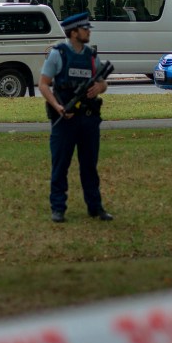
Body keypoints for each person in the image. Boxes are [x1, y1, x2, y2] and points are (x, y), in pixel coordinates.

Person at [39, 12, 113, 223]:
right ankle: (58, 208)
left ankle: (95, 207)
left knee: (90, 165)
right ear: (73, 32)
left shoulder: (91, 55)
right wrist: (57, 106)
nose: (88, 31)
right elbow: (43, 84)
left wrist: (100, 86)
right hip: (65, 120)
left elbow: (103, 82)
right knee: (60, 165)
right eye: (85, 28)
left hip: (88, 120)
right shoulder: (58, 54)